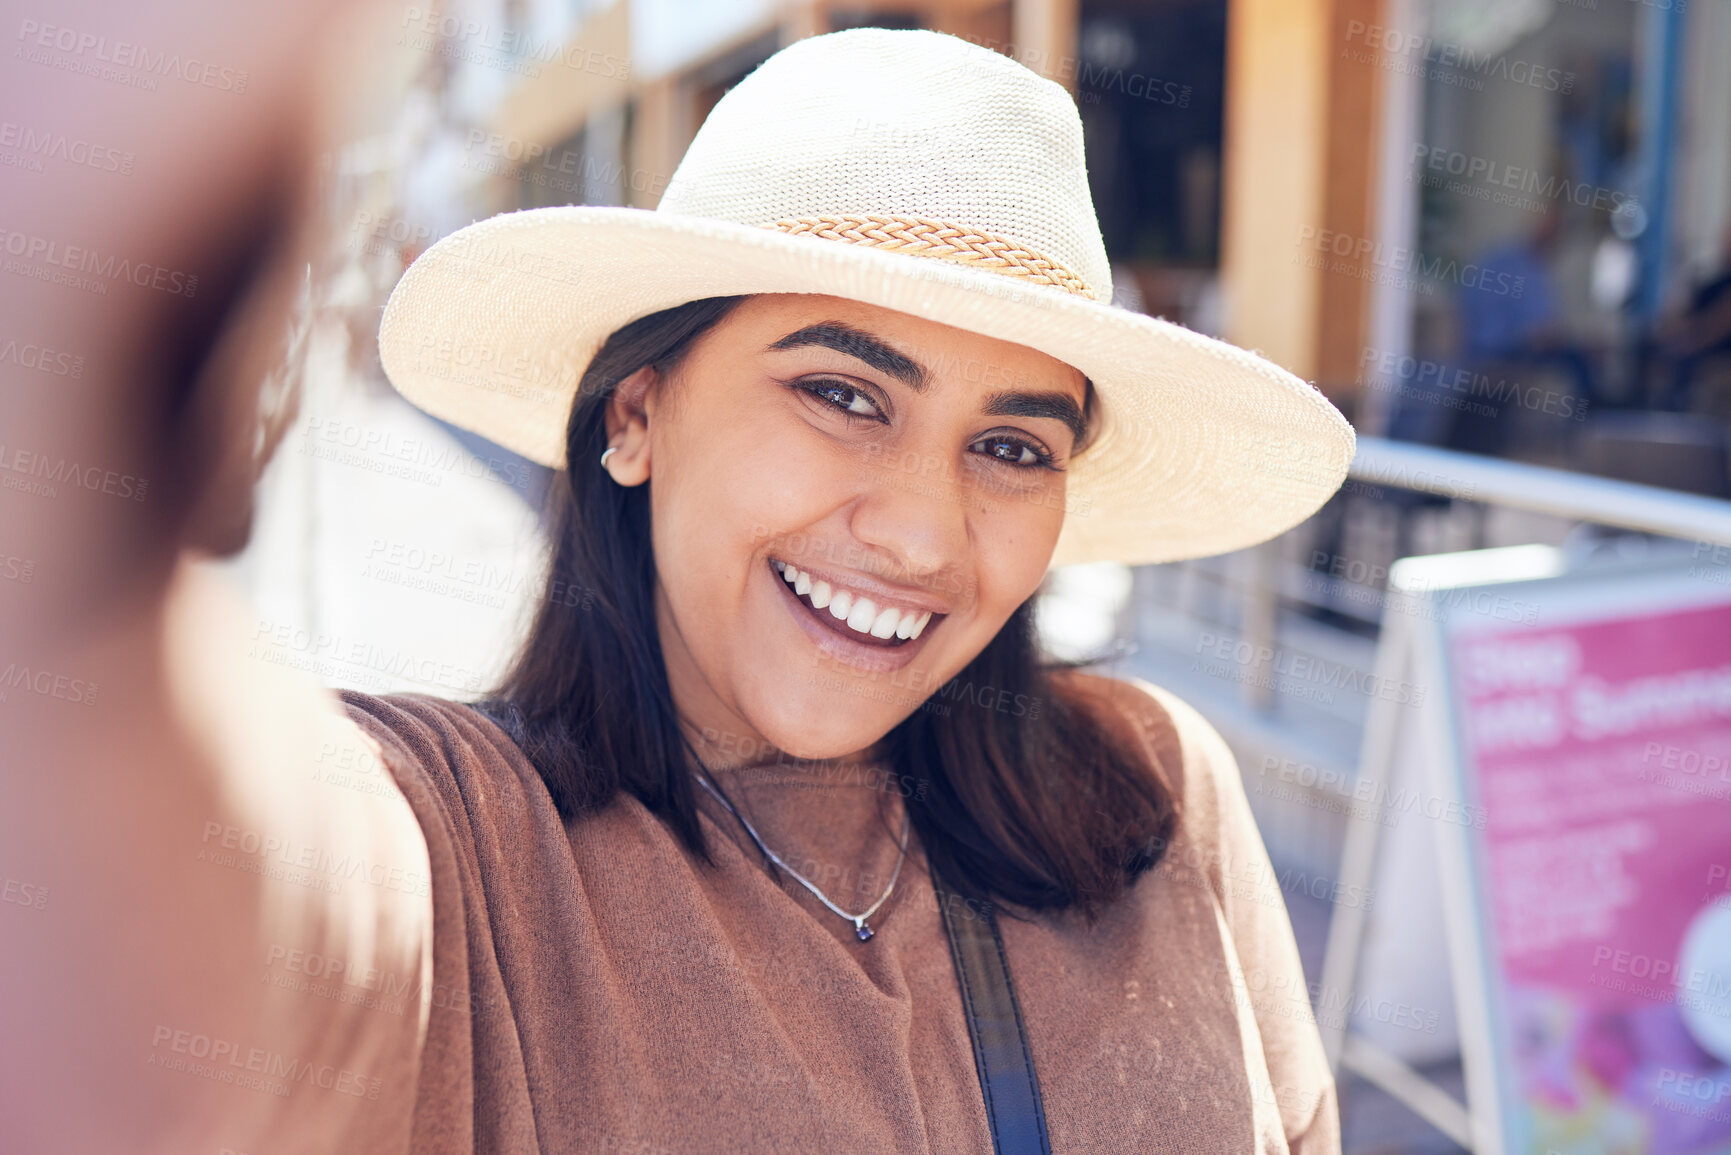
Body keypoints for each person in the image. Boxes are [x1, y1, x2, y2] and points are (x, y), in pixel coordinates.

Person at [3, 22, 1352, 1154]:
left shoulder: (1156, 799)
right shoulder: (459, 856)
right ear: (636, 413)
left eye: (1010, 446)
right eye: (842, 394)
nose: (925, 538)